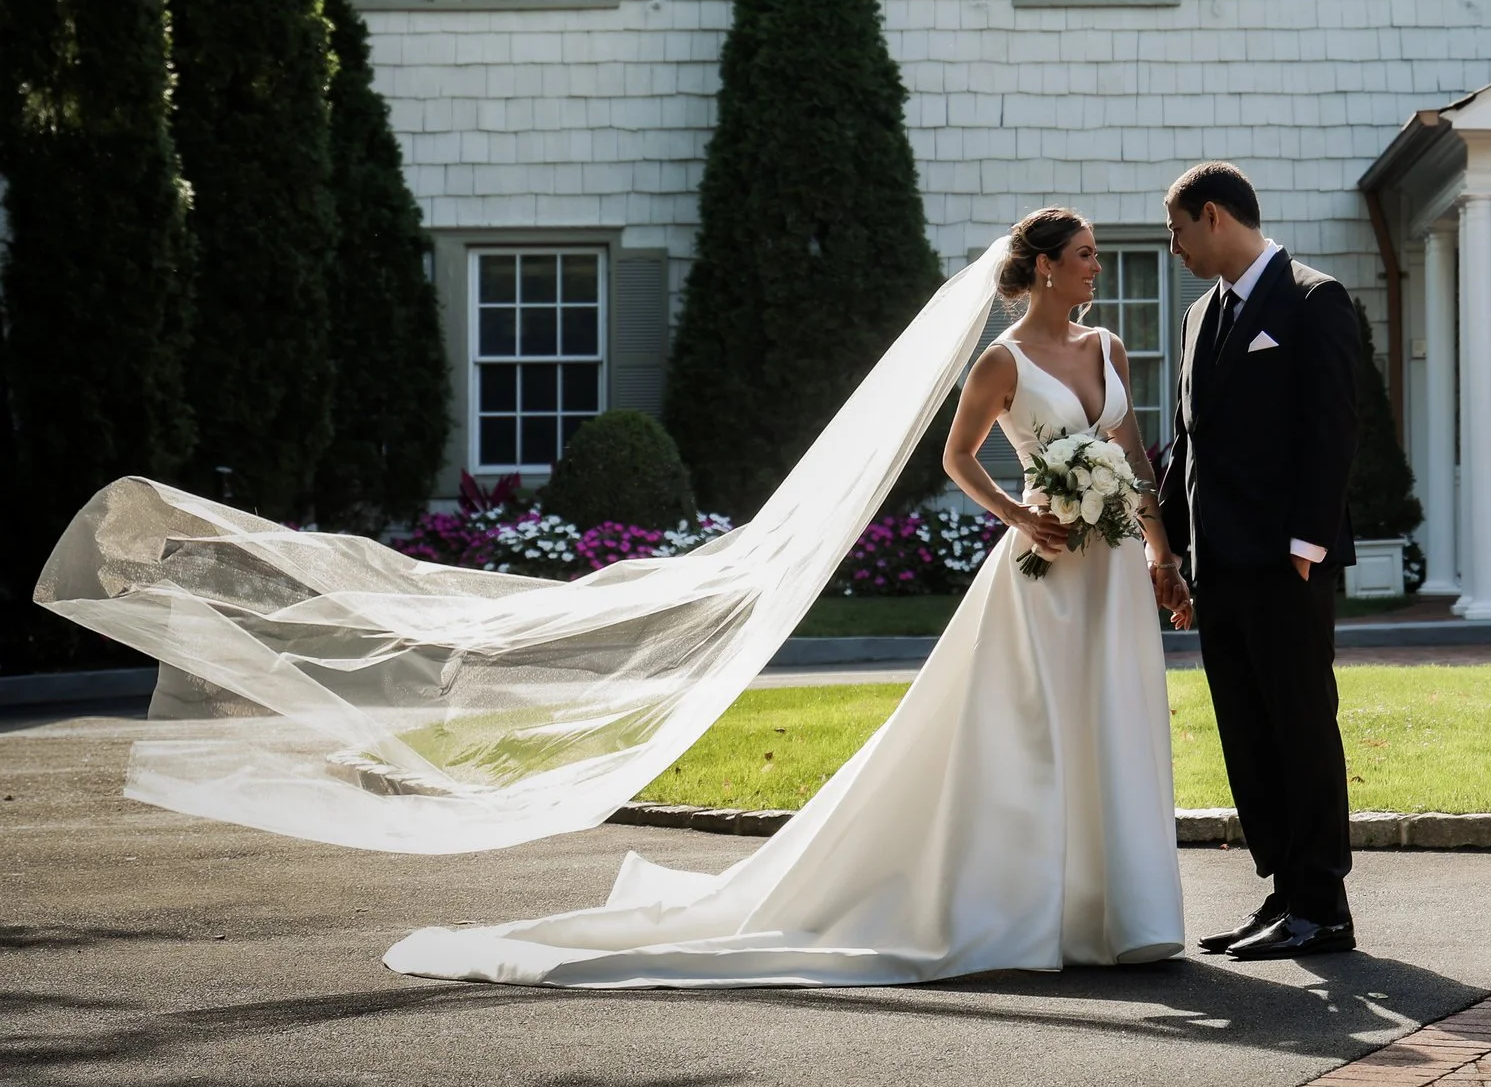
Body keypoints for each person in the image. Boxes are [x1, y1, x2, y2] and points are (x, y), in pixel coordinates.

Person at [383, 208, 1192, 987]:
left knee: (1115, 718)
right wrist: (1019, 512)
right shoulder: (1002, 361)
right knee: (1036, 733)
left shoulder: (1109, 347)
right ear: (1048, 265)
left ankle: (1121, 911)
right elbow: (957, 456)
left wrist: (1160, 553)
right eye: (1086, 251)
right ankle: (1038, 908)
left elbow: (1132, 456)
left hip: (1115, 570)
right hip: (1044, 570)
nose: (1096, 263)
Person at [1160, 162, 1361, 961]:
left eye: (1176, 230)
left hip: (1286, 565)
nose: (1173, 247)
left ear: (1213, 216)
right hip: (1218, 568)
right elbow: (1188, 448)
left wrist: (1307, 544)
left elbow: (1334, 430)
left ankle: (1325, 907)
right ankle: (1283, 892)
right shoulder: (1196, 317)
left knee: (1301, 727)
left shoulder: (1315, 299)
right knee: (1247, 732)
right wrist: (1167, 549)